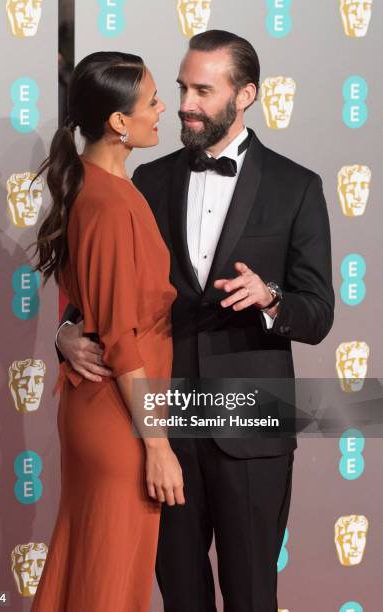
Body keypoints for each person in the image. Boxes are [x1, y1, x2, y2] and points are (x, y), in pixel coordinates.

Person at [57, 31, 335, 612]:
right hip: (164, 427)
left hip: (252, 427)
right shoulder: (145, 182)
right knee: (180, 596)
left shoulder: (297, 187)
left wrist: (271, 297)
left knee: (253, 594)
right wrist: (65, 337)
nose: (185, 102)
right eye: (181, 86)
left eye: (202, 90)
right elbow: (103, 295)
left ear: (246, 95)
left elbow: (318, 312)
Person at [30, 51, 185, 612]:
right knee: (108, 580)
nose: (162, 106)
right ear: (120, 122)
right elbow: (120, 335)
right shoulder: (110, 202)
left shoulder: (99, 190)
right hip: (121, 419)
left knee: (93, 567)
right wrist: (158, 446)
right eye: (151, 100)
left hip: (108, 406)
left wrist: (65, 331)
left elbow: (93, 309)